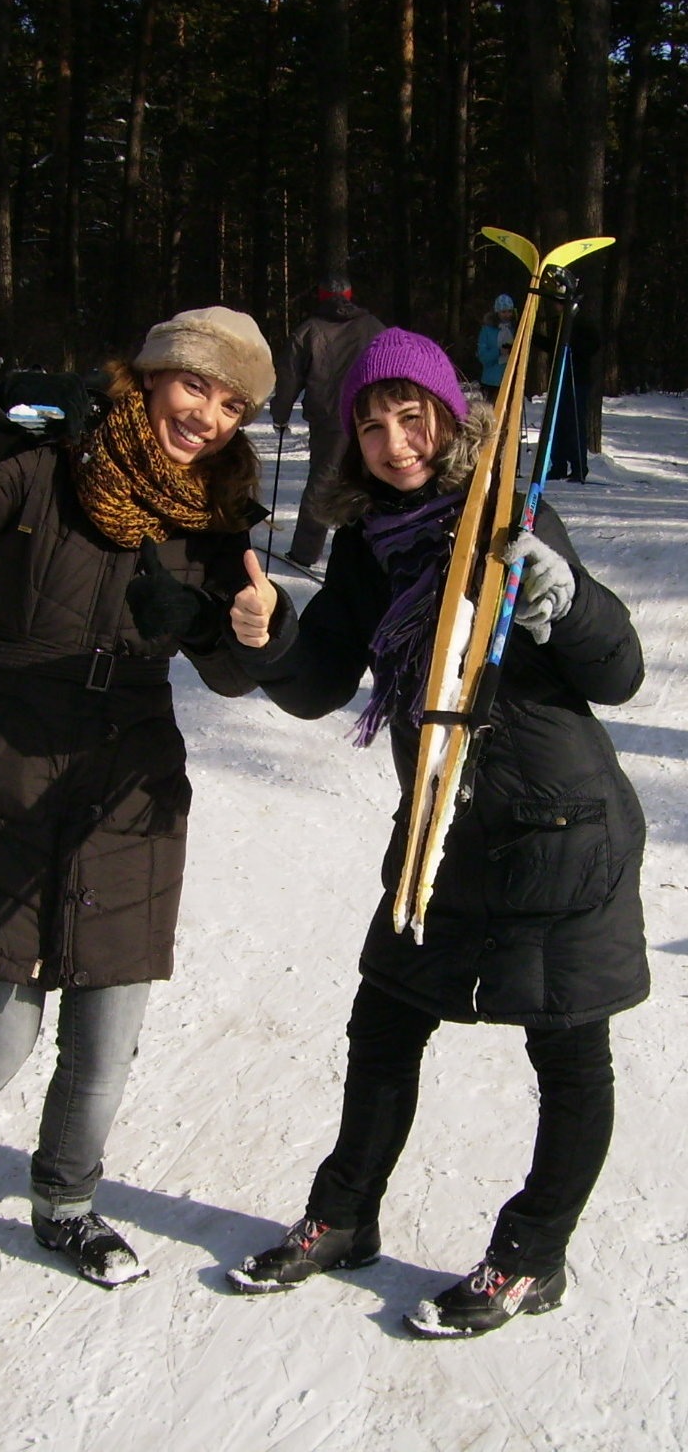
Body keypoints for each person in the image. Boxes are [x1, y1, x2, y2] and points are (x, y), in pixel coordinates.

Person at [0, 306, 275, 1298]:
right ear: (150, 375)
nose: (206, 415)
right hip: (4, 766)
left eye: (231, 405)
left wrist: (250, 630)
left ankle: (66, 1206)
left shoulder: (218, 515)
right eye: (194, 385)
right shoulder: (50, 462)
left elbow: (234, 673)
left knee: (103, 1047)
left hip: (126, 788)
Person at [225, 327, 647, 1336]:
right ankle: (343, 1216)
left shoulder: (510, 516)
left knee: (567, 1055)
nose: (394, 443)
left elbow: (618, 675)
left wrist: (566, 602)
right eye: (371, 427)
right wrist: (270, 636)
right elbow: (321, 680)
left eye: (409, 417)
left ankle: (531, 1256)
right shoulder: (369, 545)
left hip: (560, 828)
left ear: (449, 419)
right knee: (384, 1024)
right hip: (441, 830)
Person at [270, 277, 384, 567]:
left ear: (321, 296)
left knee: (323, 480)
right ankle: (368, 554)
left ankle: (305, 553)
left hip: (329, 418)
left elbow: (288, 377)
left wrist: (280, 415)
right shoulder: (373, 326)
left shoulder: (309, 329)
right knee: (368, 480)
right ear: (350, 295)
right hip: (369, 416)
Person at [545, 313, 601, 482]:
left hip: (577, 380)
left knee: (574, 424)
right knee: (558, 423)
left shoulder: (582, 322)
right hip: (560, 379)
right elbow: (553, 347)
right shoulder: (558, 322)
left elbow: (593, 346)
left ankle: (579, 467)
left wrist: (574, 345)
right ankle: (558, 465)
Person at [477, 293, 517, 402]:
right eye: (503, 312)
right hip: (491, 381)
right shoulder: (487, 330)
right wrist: (499, 352)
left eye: (509, 311)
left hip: (510, 380)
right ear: (497, 312)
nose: (507, 315)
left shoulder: (515, 329)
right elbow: (482, 356)